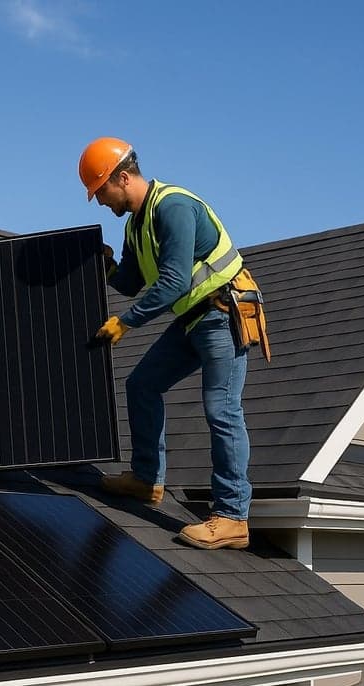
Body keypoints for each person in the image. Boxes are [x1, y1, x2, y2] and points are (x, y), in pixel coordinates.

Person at [81, 137, 252, 550]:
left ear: (123, 178)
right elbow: (133, 282)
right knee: (141, 385)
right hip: (194, 320)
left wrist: (126, 323)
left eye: (101, 191)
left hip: (222, 313)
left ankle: (232, 518)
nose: (101, 202)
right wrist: (105, 267)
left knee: (221, 409)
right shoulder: (135, 225)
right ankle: (145, 479)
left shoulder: (172, 207)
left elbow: (174, 281)